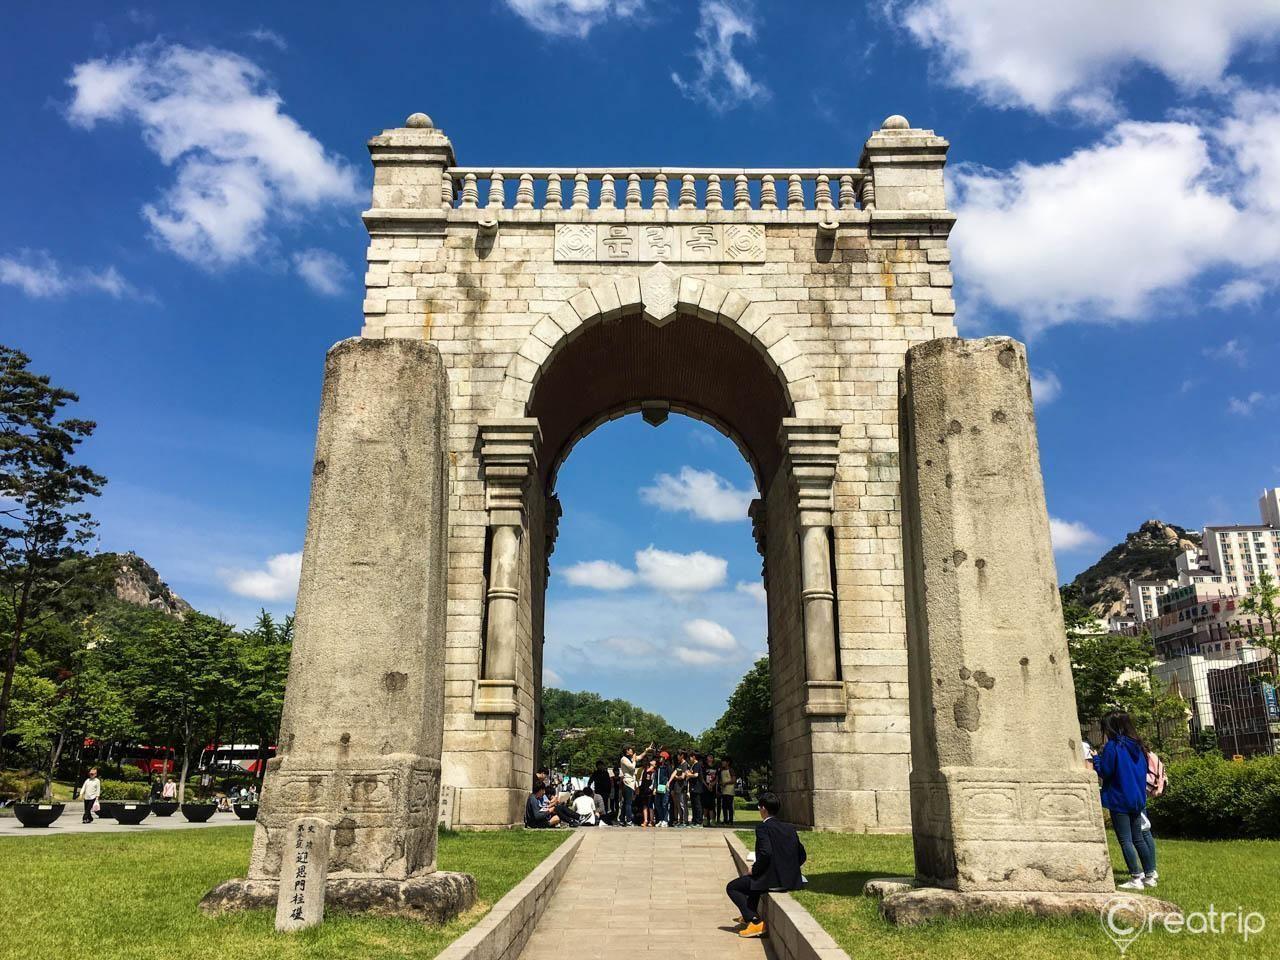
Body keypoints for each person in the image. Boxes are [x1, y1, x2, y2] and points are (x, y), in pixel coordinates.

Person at [726, 791, 806, 939]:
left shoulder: (763, 828)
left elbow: (766, 853)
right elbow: (802, 855)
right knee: (754, 884)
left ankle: (755, 921)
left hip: (773, 880)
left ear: (763, 808)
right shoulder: (789, 828)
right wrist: (789, 869)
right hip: (791, 880)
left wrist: (754, 869)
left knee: (733, 887)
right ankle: (747, 914)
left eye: (759, 807)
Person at [1094, 711, 1158, 890]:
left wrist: (1096, 758)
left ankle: (1136, 877)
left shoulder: (1113, 747)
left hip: (1119, 798)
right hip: (1137, 798)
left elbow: (1106, 772)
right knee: (1138, 838)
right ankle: (1150, 875)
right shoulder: (1138, 746)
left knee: (1125, 840)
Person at [619, 744, 651, 826]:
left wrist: (646, 750)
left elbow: (639, 757)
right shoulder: (624, 759)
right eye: (630, 750)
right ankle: (629, 821)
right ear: (626, 751)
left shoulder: (630, 758)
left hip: (631, 783)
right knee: (628, 803)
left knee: (626, 802)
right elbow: (632, 767)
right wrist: (634, 760)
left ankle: (622, 819)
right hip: (628, 783)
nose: (632, 751)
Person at [654, 753, 671, 827]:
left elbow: (670, 777)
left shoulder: (668, 767)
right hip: (658, 787)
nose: (660, 758)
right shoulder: (658, 767)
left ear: (665, 758)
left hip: (664, 787)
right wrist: (654, 787)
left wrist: (668, 784)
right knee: (658, 804)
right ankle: (661, 819)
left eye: (661, 757)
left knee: (664, 804)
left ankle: (665, 820)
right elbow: (655, 778)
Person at [719, 759, 736, 824]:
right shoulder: (721, 770)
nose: (722, 763)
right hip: (723, 791)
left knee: (730, 806)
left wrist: (725, 783)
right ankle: (725, 820)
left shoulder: (731, 770)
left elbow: (734, 780)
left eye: (724, 761)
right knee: (724, 806)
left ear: (728, 762)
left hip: (730, 791)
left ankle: (731, 820)